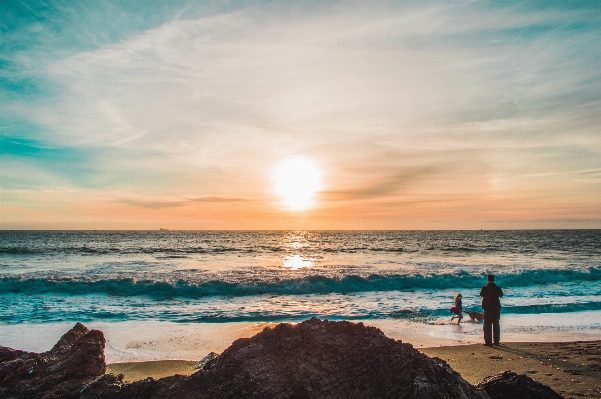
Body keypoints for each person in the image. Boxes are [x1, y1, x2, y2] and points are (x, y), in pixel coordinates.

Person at [480, 274, 503, 346]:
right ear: (494, 280)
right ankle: (496, 341)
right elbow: (501, 294)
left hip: (487, 308)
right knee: (496, 325)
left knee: (487, 325)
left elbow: (481, 294)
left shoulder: (485, 288)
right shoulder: (497, 288)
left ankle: (488, 342)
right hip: (496, 308)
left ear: (488, 280)